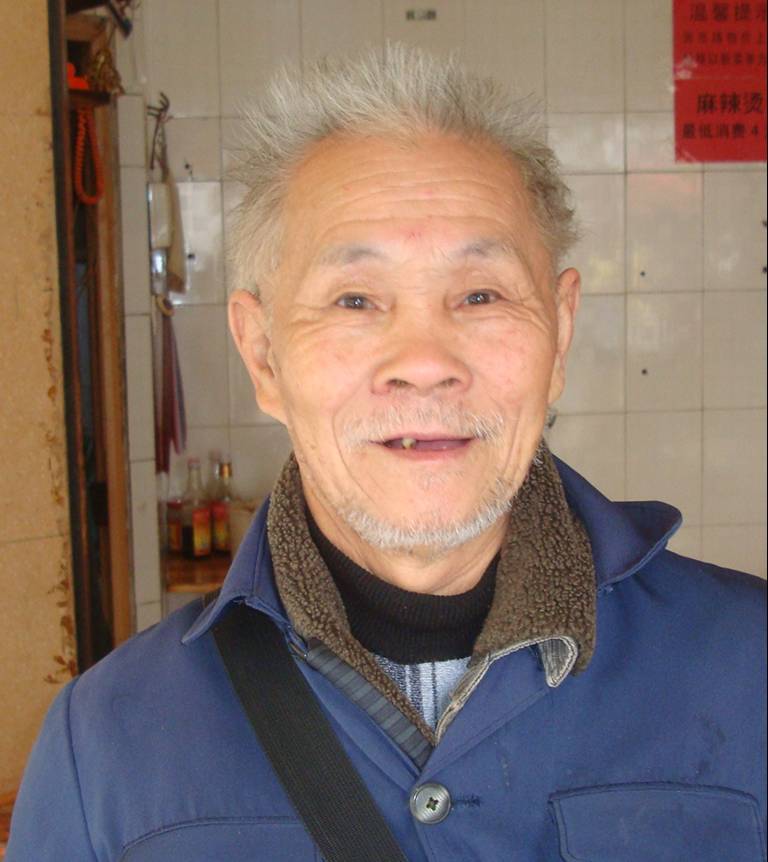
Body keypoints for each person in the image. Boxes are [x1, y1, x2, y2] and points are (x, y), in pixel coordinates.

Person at [8, 46, 765, 861]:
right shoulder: (107, 746)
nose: (425, 359)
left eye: (481, 294)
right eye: (355, 299)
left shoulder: (749, 668)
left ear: (561, 330)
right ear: (263, 356)